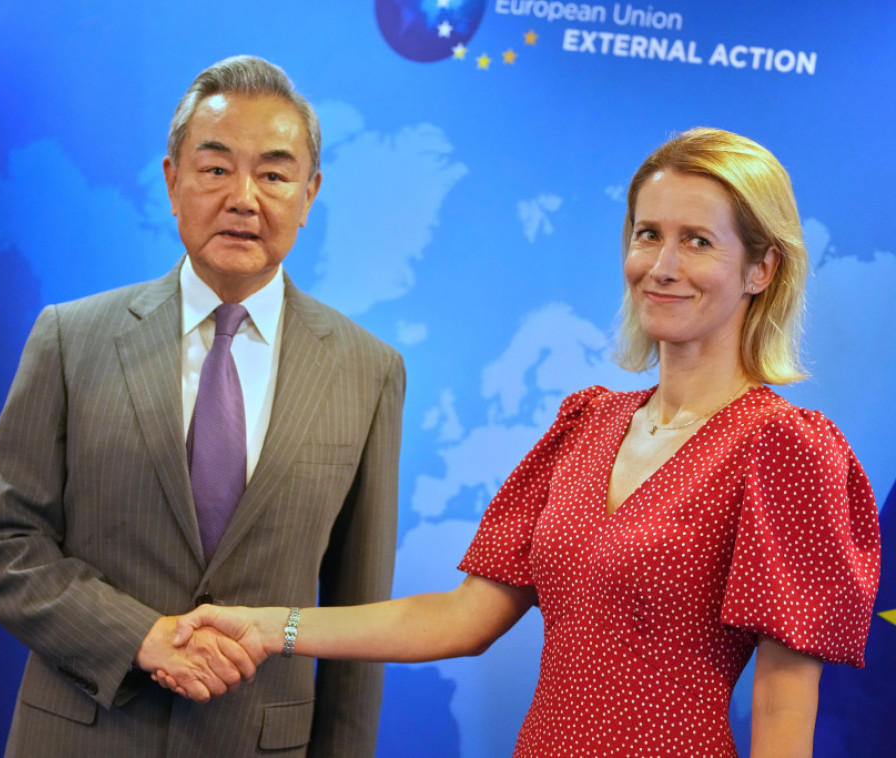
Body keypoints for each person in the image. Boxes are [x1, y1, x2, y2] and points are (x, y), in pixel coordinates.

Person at [166, 128, 881, 757]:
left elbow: (784, 710)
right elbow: (461, 618)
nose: (662, 265)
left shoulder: (786, 449)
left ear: (762, 269)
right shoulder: (586, 423)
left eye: (698, 241)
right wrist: (270, 628)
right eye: (647, 234)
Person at [0, 55, 405, 757]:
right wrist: (141, 636)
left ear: (309, 194)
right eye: (216, 167)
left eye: (274, 175)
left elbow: (358, 617)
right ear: (172, 181)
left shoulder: (367, 371)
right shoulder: (70, 339)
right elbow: (1, 544)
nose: (244, 198)